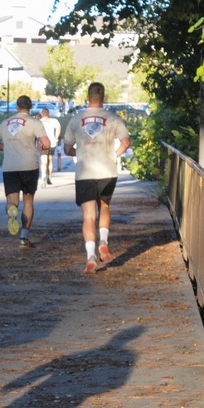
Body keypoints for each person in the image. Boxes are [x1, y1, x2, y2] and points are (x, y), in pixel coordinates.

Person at [63, 82, 131, 274]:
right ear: (104, 98)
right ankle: (103, 241)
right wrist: (114, 155)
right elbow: (126, 142)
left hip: (85, 173)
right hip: (107, 172)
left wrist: (80, 152)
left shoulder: (76, 119)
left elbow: (67, 149)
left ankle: (91, 256)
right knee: (105, 207)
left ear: (87, 98)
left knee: (88, 216)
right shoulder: (113, 118)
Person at [0, 95, 51, 249]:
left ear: (16, 107)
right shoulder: (35, 122)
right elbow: (46, 143)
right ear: (30, 107)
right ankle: (23, 238)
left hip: (10, 167)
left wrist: (7, 147)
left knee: (12, 200)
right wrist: (42, 148)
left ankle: (12, 209)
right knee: (28, 200)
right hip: (29, 165)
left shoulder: (5, 123)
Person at [39, 107, 61, 186]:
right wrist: (56, 137)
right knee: (50, 160)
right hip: (52, 142)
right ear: (48, 113)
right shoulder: (54, 120)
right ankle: (49, 177)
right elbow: (58, 128)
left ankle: (43, 176)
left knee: (43, 160)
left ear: (42, 114)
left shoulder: (39, 121)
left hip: (42, 143)